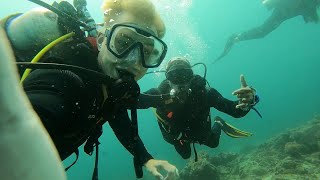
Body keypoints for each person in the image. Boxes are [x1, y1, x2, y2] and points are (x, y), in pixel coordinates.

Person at [0, 0, 179, 179]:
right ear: (101, 41)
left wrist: (145, 158)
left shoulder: (109, 86)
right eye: (124, 42)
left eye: (147, 52)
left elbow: (117, 116)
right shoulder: (67, 79)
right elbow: (42, 107)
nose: (134, 61)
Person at [137, 57, 260, 160]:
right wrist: (123, 86)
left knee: (214, 144)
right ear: (168, 80)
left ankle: (219, 122)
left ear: (191, 76)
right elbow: (131, 102)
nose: (180, 83)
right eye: (174, 76)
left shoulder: (205, 94)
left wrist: (250, 100)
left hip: (200, 132)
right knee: (185, 155)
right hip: (177, 137)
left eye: (185, 75)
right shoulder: (157, 94)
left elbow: (236, 111)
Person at [214, 0, 320, 63]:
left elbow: (312, 15)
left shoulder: (313, 6)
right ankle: (236, 37)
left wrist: (312, 16)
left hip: (285, 12)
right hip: (283, 10)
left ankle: (237, 37)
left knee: (262, 32)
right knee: (262, 32)